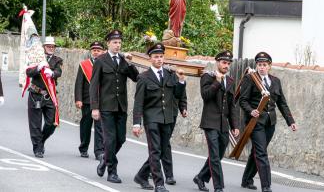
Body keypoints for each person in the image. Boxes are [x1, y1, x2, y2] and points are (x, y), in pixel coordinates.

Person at [239, 52, 297, 192]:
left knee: (257, 151)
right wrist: (250, 110)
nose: (262, 67)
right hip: (255, 122)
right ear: (256, 65)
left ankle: (246, 180)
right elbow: (243, 100)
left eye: (264, 65)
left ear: (269, 66)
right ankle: (266, 186)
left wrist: (291, 121)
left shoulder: (275, 81)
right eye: (259, 64)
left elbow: (282, 103)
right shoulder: (250, 79)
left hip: (270, 123)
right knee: (261, 153)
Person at [133, 42, 186, 192]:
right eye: (156, 57)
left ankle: (141, 175)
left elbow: (177, 95)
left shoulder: (170, 75)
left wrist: (181, 81)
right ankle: (159, 184)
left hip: (167, 119)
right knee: (155, 151)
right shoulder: (143, 77)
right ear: (150, 59)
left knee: (161, 151)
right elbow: (138, 103)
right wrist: (137, 123)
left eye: (161, 57)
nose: (159, 59)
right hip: (152, 119)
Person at [90, 29, 139, 183]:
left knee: (121, 139)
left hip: (121, 106)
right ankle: (112, 171)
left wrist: (130, 63)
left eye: (119, 42)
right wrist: (95, 107)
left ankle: (105, 159)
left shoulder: (124, 60)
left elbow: (136, 78)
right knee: (110, 139)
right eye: (115, 42)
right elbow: (94, 85)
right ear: (108, 43)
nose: (118, 45)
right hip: (106, 107)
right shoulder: (101, 60)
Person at [193, 50, 239, 192]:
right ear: (217, 62)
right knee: (214, 155)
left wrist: (234, 125)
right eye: (224, 62)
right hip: (210, 122)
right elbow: (206, 96)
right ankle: (218, 187)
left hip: (223, 124)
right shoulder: (207, 77)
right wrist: (217, 82)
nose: (226, 65)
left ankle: (201, 177)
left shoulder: (230, 81)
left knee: (218, 155)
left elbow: (232, 105)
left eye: (228, 63)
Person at [26, 36, 63, 158]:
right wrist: (38, 68)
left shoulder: (57, 60)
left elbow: (59, 72)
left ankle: (40, 141)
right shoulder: (36, 58)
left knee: (52, 123)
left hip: (49, 95)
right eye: (48, 46)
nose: (51, 48)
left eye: (52, 46)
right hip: (35, 94)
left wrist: (52, 73)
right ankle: (38, 148)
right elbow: (28, 72)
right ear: (44, 47)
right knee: (35, 124)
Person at [74, 41, 105, 159]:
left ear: (103, 52)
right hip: (87, 101)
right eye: (94, 50)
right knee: (86, 125)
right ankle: (83, 148)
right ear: (91, 51)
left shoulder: (105, 64)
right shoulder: (84, 64)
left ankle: (99, 151)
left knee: (100, 127)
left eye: (98, 50)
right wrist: (78, 99)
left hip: (101, 100)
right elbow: (79, 83)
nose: (96, 52)